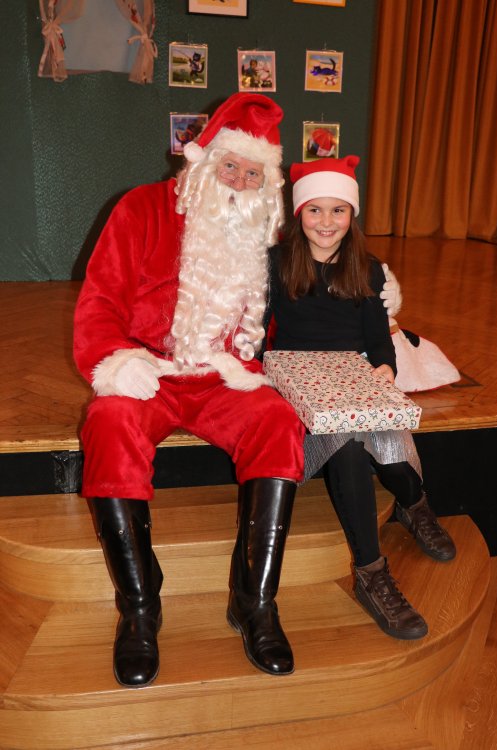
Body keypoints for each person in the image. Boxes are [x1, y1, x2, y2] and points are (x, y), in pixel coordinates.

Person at [73, 93, 308, 686]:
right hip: (148, 371)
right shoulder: (140, 209)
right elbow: (98, 302)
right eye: (231, 166)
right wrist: (115, 362)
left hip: (223, 378)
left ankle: (254, 601)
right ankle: (139, 607)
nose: (239, 183)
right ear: (202, 161)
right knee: (108, 423)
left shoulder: (262, 230)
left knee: (279, 422)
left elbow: (297, 307)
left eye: (253, 175)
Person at [264, 156, 456, 640]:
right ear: (299, 213)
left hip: (353, 381)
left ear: (352, 215)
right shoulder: (276, 264)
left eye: (339, 210)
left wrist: (385, 367)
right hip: (299, 389)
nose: (326, 222)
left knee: (386, 445)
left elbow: (377, 340)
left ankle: (414, 504)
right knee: (349, 447)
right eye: (315, 210)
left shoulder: (367, 270)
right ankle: (372, 574)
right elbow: (256, 331)